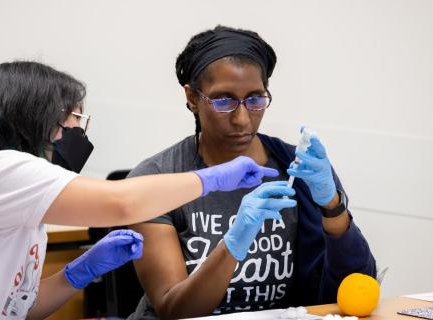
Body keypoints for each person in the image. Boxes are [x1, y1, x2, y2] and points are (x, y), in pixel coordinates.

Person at [0, 61, 280, 319]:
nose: (78, 131)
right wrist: (213, 179)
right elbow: (122, 204)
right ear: (36, 119)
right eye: (74, 117)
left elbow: (18, 311)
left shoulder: (17, 197)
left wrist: (76, 274)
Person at [127, 26, 377, 320]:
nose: (242, 118)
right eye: (223, 100)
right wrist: (233, 244)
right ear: (192, 98)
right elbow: (174, 310)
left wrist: (332, 206)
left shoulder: (297, 168)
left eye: (255, 99)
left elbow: (357, 286)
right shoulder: (156, 179)